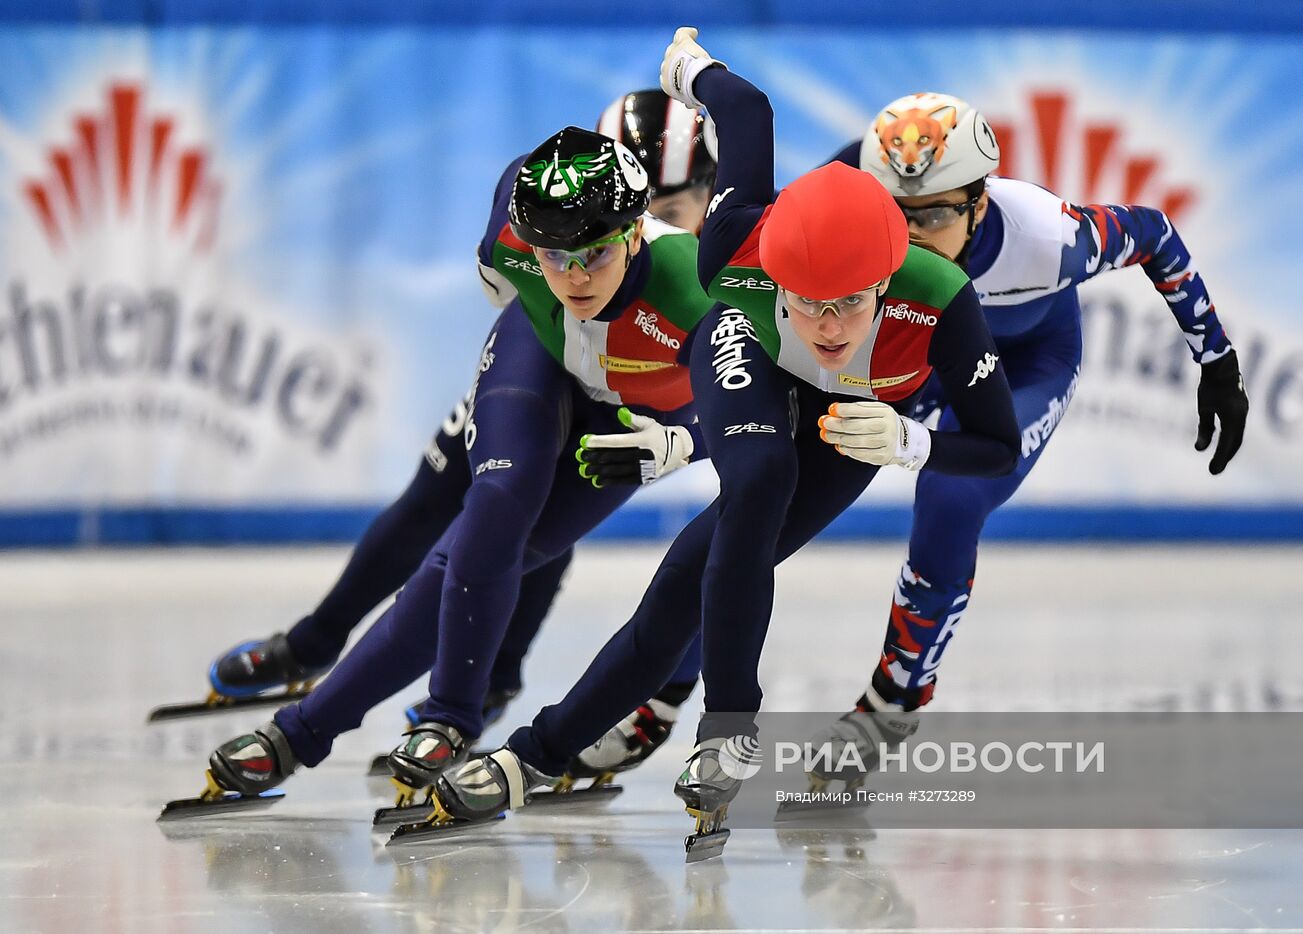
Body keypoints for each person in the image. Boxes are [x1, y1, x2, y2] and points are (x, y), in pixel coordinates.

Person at [420, 29, 1019, 858]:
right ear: (773, 268)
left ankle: (534, 756)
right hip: (759, 360)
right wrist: (689, 66)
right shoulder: (735, 238)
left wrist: (915, 442)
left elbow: (996, 448)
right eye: (807, 301)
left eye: (849, 304)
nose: (828, 327)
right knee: (761, 476)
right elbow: (744, 105)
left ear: (889, 278)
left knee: (676, 596)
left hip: (860, 420)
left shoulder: (942, 301)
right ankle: (728, 724)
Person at [170, 126, 718, 814]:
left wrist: (681, 443)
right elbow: (518, 175)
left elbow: (751, 420)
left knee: (514, 552)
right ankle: (427, 718)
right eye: (555, 256)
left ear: (636, 234)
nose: (575, 276)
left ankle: (326, 726)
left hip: (627, 421)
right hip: (541, 359)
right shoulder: (511, 244)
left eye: (596, 253)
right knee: (491, 508)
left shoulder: (698, 294)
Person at [796, 89, 1248, 781]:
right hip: (922, 351)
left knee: (951, 494)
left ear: (980, 203)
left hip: (1022, 362)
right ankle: (671, 691)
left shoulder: (1049, 237)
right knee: (775, 482)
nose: (911, 237)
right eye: (895, 215)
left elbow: (1154, 233)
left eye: (937, 214)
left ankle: (895, 697)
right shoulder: (852, 199)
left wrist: (1217, 362)